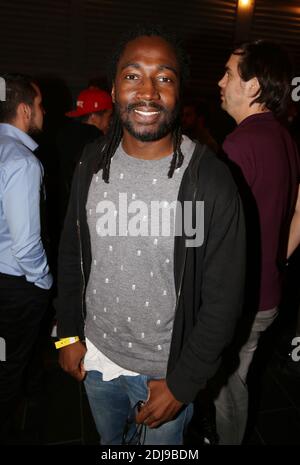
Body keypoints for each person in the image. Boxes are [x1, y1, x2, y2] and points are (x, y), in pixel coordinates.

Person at [55, 26, 245, 446]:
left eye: (164, 77)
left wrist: (183, 382)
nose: (148, 91)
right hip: (97, 361)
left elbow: (223, 296)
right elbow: (72, 253)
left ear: (180, 91)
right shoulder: (90, 164)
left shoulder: (206, 182)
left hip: (165, 372)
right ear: (114, 88)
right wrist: (68, 333)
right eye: (132, 75)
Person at [216, 40, 300, 444]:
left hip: (239, 299)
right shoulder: (284, 137)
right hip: (268, 294)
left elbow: (212, 234)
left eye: (229, 73)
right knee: (236, 378)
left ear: (252, 86)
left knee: (225, 386)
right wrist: (272, 259)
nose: (220, 81)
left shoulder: (239, 145)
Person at [0, 74, 53, 437]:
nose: (43, 112)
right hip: (16, 285)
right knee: (9, 369)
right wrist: (45, 281)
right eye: (39, 105)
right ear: (24, 110)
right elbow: (26, 245)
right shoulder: (22, 161)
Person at [56, 88, 113, 228]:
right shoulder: (97, 142)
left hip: (63, 211)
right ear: (94, 117)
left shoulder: (61, 135)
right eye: (108, 117)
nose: (110, 123)